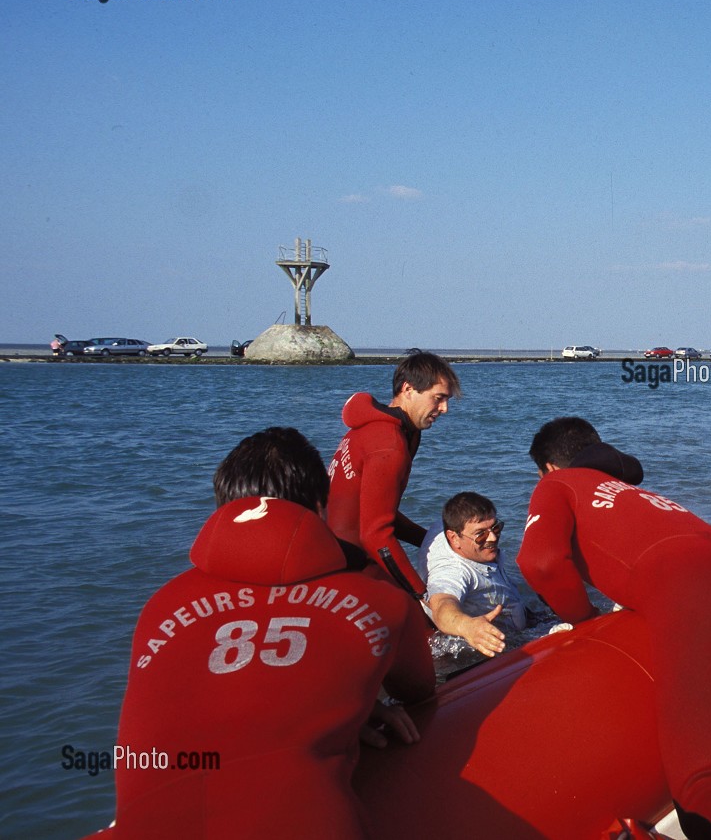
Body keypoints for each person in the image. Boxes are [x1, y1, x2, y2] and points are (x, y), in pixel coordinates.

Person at [110, 428, 435, 839]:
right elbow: (421, 692)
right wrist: (350, 697)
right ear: (321, 508)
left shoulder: (160, 606)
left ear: (222, 508)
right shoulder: (380, 600)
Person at [516, 417, 711, 840]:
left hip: (699, 596)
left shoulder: (557, 484)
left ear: (550, 468)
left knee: (706, 791)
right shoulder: (640, 495)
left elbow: (539, 562)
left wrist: (585, 619)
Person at [327, 351, 461, 598]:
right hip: (348, 564)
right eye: (438, 398)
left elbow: (376, 513)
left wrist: (435, 544)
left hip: (341, 549)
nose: (444, 409)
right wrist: (422, 596)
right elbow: (376, 534)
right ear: (408, 389)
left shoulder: (389, 428)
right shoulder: (389, 445)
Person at [417, 491, 530, 657]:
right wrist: (468, 627)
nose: (492, 537)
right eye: (480, 534)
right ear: (454, 538)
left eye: (496, 527)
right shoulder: (453, 571)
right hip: (492, 642)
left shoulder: (444, 527)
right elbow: (442, 604)